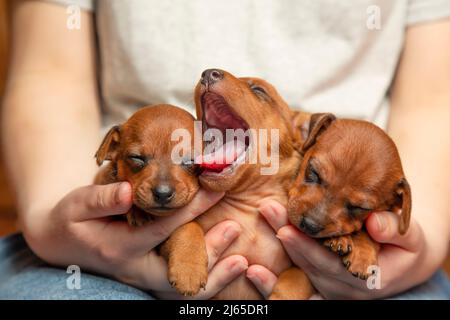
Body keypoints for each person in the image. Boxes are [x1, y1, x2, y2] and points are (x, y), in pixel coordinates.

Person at [0, 0, 449, 299]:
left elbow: (434, 100)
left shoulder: (313, 167)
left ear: (299, 138)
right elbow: (49, 75)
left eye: (257, 91)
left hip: (375, 271)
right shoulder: (181, 176)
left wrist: (411, 245)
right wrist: (49, 219)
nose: (212, 76)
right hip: (98, 247)